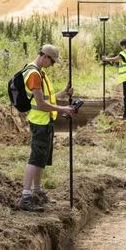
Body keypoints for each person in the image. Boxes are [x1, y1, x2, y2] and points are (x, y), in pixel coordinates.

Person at [19, 44, 76, 212]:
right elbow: (42, 104)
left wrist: (64, 93)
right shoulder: (34, 75)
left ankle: (36, 191)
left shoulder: (40, 72)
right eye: (52, 61)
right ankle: (26, 196)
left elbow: (48, 97)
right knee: (35, 158)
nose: (53, 65)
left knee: (41, 158)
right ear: (44, 56)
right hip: (40, 122)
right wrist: (64, 109)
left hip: (45, 122)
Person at [102, 38, 126, 119]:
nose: (121, 48)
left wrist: (106, 59)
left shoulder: (124, 52)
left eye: (121, 46)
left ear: (123, 45)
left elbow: (116, 59)